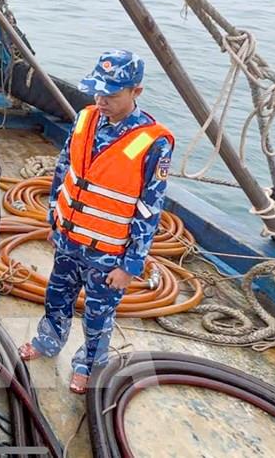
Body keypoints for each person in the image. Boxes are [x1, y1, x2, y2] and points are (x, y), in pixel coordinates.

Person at [19, 50, 174, 394]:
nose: (101, 101)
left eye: (111, 95)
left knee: (98, 316)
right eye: (97, 92)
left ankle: (88, 365)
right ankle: (47, 341)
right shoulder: (85, 118)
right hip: (68, 240)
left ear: (136, 91)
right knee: (56, 297)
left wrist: (130, 266)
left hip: (108, 254)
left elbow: (149, 209)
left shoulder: (154, 143)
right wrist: (54, 220)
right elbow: (64, 170)